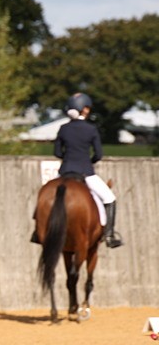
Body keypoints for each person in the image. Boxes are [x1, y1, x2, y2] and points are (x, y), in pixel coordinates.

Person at [54, 92, 123, 248]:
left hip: (64, 171)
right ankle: (109, 235)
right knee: (109, 198)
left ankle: (38, 232)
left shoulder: (63, 128)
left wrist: (68, 159)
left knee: (46, 194)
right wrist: (88, 161)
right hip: (86, 172)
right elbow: (98, 154)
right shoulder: (91, 129)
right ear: (84, 109)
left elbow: (57, 153)